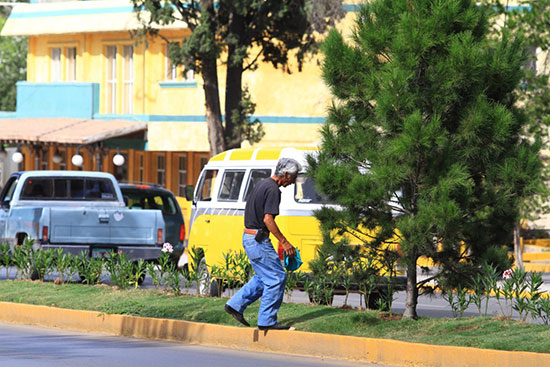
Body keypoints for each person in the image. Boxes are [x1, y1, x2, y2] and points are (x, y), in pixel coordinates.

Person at [225, 157, 301, 330]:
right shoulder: (274, 190)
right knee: (276, 278)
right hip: (258, 241)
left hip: (249, 238)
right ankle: (267, 321)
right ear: (286, 174)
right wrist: (284, 241)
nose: (294, 181)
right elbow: (268, 219)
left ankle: (235, 305)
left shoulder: (262, 184)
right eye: (293, 177)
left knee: (263, 277)